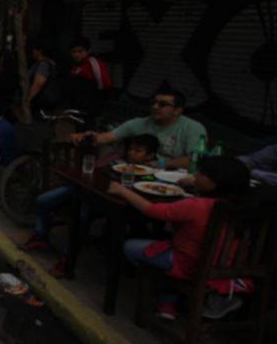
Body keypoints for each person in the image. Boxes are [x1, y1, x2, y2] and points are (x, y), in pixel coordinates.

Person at [110, 156, 253, 321]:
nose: (195, 177)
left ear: (215, 182)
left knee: (131, 246)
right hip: (229, 266)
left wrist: (122, 190)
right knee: (166, 242)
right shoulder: (244, 206)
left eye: (200, 174)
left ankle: (168, 295)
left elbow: (154, 211)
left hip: (191, 264)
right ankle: (172, 300)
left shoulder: (197, 205)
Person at [23, 134, 160, 275]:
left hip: (104, 201)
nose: (132, 152)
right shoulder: (118, 161)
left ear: (149, 156)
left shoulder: (151, 174)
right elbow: (98, 168)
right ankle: (40, 236)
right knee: (43, 200)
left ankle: (67, 259)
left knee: (83, 215)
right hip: (84, 187)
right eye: (131, 149)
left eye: (138, 151)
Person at [73, 87, 206, 169]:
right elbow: (106, 137)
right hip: (136, 172)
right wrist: (87, 136)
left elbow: (195, 160)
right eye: (153, 103)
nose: (155, 107)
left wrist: (162, 164)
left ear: (177, 110)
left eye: (162, 104)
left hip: (172, 179)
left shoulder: (193, 128)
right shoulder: (138, 123)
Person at [66, 36, 112, 120]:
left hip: (90, 108)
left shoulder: (94, 64)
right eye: (74, 52)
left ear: (88, 51)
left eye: (80, 51)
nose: (76, 54)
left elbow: (105, 85)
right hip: (77, 107)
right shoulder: (75, 65)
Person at [26, 41, 61, 120]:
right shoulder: (48, 63)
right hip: (45, 102)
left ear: (39, 51)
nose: (32, 52)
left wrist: (29, 98)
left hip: (42, 102)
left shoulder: (43, 65)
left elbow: (38, 84)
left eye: (34, 50)